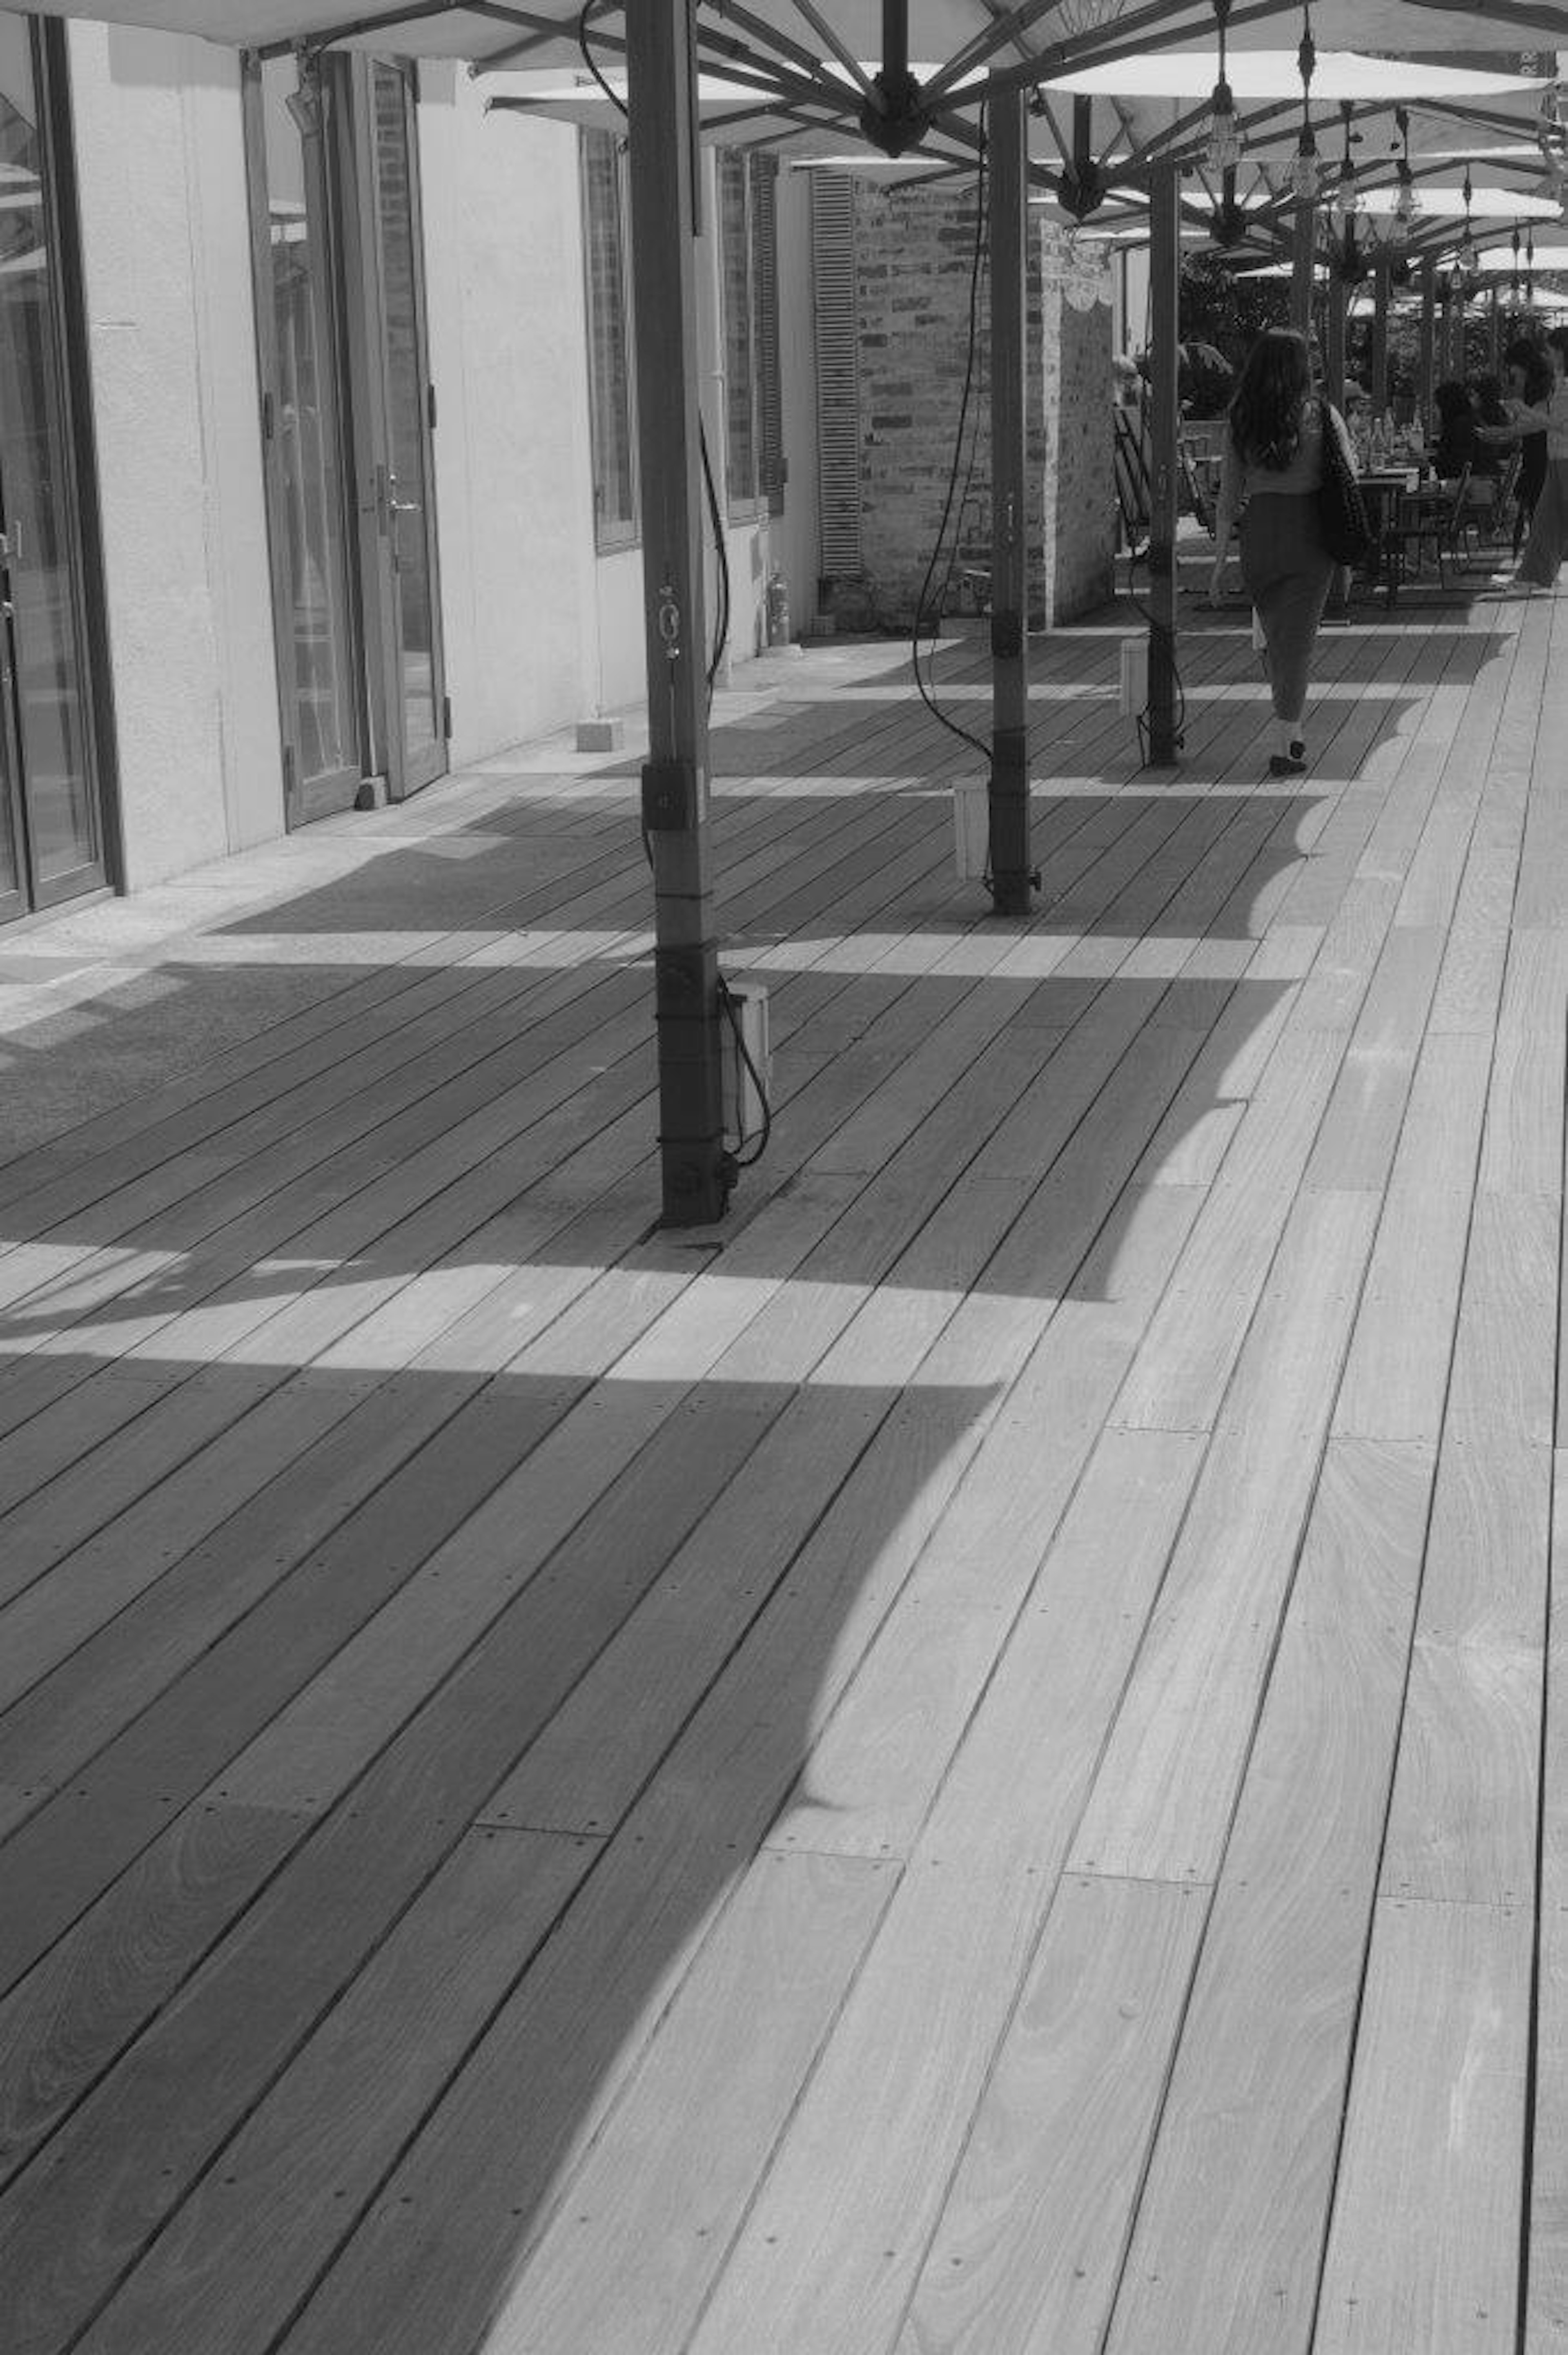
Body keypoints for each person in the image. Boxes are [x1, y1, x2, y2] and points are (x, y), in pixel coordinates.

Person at [1209, 325, 1355, 776]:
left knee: (1278, 638)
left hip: (1260, 535)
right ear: (1300, 369)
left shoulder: (1241, 418)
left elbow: (1228, 500)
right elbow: (1350, 474)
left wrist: (1217, 566)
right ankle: (1287, 740)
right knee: (1296, 645)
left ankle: (1286, 722)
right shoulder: (1323, 416)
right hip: (1308, 535)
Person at [1495, 324, 1568, 590]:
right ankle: (1533, 577)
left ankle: (1534, 576)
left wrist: (1522, 410)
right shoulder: (1559, 383)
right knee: (1545, 521)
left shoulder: (1565, 386)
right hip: (1557, 459)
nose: (1547, 357)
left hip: (1564, 460)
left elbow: (1559, 424)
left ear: (1562, 352)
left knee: (1548, 520)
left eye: (1550, 351)